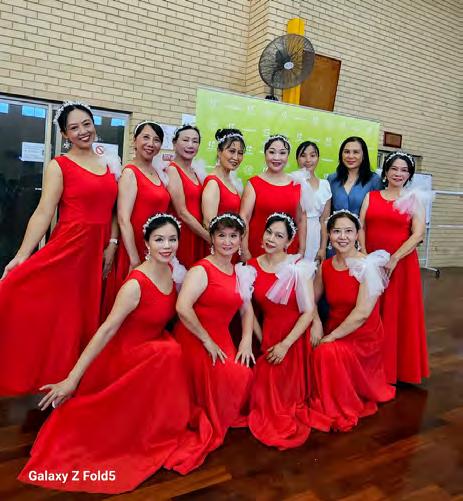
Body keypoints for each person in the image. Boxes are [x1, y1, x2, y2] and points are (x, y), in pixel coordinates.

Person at [18, 214, 212, 494]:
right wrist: (72, 379)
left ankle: (155, 427)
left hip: (152, 349)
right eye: (159, 240)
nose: (167, 245)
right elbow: (106, 330)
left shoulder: (172, 271)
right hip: (126, 354)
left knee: (171, 350)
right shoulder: (135, 284)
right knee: (168, 352)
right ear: (146, 243)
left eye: (172, 239)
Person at [0, 101, 118, 396]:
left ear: (94, 125)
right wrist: (22, 255)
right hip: (69, 247)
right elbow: (44, 212)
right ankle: (48, 375)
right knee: (54, 310)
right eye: (74, 128)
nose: (82, 131)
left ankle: (70, 380)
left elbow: (115, 211)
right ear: (65, 134)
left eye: (86, 124)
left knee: (81, 316)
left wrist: (112, 243)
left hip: (97, 250)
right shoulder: (59, 165)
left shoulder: (109, 163)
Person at [172, 213, 255, 455]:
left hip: (221, 337)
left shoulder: (239, 272)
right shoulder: (201, 270)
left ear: (240, 239)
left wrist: (246, 340)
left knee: (244, 376)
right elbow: (182, 307)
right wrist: (206, 340)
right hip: (195, 337)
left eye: (233, 236)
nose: (227, 242)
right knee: (232, 377)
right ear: (212, 238)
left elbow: (246, 310)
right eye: (221, 236)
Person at [247, 213, 330, 449]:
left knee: (283, 397)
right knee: (264, 383)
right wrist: (262, 340)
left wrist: (285, 344)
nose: (271, 239)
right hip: (269, 332)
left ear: (289, 242)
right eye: (269, 232)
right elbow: (248, 311)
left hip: (295, 335)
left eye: (279, 236)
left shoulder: (298, 267)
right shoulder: (251, 267)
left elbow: (308, 311)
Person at [310, 210, 395, 431]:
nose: (342, 237)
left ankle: (338, 402)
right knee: (307, 343)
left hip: (362, 337)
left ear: (357, 235)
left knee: (325, 352)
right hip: (335, 328)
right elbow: (309, 300)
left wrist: (331, 337)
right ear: (329, 235)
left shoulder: (367, 265)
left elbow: (363, 313)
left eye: (348, 231)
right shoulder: (326, 266)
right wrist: (317, 323)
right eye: (336, 231)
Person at [359, 151, 429, 384]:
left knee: (397, 314)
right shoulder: (371, 197)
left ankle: (395, 370)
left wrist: (395, 258)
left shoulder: (413, 199)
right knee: (370, 312)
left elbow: (418, 234)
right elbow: (361, 226)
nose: (398, 174)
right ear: (386, 171)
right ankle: (369, 367)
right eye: (394, 169)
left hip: (401, 265)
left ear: (409, 174)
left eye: (404, 170)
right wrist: (365, 255)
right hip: (372, 263)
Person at [102, 121, 170, 315]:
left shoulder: (159, 173)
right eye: (145, 137)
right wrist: (134, 259)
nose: (151, 144)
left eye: (156, 140)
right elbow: (123, 218)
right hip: (134, 247)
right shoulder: (130, 173)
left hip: (155, 247)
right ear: (135, 141)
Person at [240, 135, 307, 260]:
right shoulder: (254, 183)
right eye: (272, 152)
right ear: (265, 154)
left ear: (288, 156)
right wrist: (244, 250)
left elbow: (301, 219)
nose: (277, 158)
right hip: (258, 250)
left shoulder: (297, 184)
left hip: (287, 252)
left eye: (282, 153)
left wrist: (302, 250)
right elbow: (244, 217)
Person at [166, 125, 210, 268]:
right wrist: (208, 237)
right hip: (183, 233)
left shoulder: (196, 172)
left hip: (198, 233)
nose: (190, 145)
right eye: (185, 140)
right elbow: (182, 212)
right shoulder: (172, 170)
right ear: (174, 143)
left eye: (195, 141)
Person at [295, 141, 332, 261]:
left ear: (318, 158)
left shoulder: (325, 185)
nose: (308, 160)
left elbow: (324, 220)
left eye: (312, 155)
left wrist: (322, 248)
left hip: (315, 235)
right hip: (295, 232)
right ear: (297, 159)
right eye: (303, 155)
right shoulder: (291, 182)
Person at [328, 136, 382, 216]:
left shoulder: (374, 180)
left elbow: (378, 211)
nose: (350, 156)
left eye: (356, 152)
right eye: (347, 152)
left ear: (363, 156)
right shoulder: (332, 179)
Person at [201, 128, 244, 229]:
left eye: (240, 153)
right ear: (219, 152)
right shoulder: (213, 183)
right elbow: (208, 224)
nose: (236, 157)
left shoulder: (231, 181)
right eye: (231, 151)